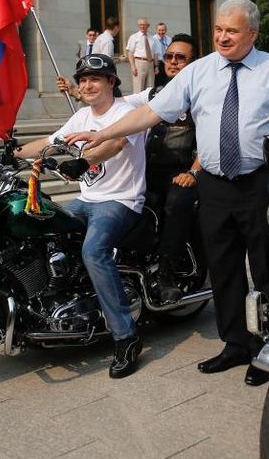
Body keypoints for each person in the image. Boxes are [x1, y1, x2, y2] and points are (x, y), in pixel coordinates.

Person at [61, 0, 269, 387]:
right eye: (218, 29)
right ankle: (234, 344)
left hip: (259, 181)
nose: (222, 36)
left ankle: (264, 345)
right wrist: (103, 132)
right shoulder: (199, 71)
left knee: (265, 268)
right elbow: (151, 112)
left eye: (232, 31)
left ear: (253, 34)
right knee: (224, 267)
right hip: (214, 184)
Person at [17, 54, 146, 378]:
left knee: (93, 250)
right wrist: (8, 152)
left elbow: (114, 144)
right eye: (83, 79)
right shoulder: (82, 116)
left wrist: (83, 161)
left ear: (111, 83)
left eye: (95, 79)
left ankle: (126, 336)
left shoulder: (123, 113)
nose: (87, 85)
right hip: (86, 199)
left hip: (120, 200)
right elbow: (48, 143)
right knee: (37, 229)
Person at [59, 36, 201, 303]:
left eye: (180, 57)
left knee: (175, 203)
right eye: (169, 56)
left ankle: (167, 274)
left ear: (193, 63)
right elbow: (115, 98)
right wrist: (77, 90)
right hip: (150, 169)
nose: (172, 62)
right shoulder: (153, 94)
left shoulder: (202, 97)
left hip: (183, 171)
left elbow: (210, 141)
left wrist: (193, 172)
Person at [126, 18, 156, 94]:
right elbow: (130, 53)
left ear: (148, 26)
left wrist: (156, 66)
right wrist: (133, 66)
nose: (142, 27)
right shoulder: (134, 37)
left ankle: (148, 105)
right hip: (139, 63)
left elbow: (155, 53)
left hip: (150, 63)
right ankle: (137, 105)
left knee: (150, 88)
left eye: (144, 25)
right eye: (140, 25)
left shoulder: (152, 38)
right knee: (138, 87)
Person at [151, 23, 172, 87]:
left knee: (167, 81)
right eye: (159, 30)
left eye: (163, 30)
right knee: (158, 83)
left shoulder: (169, 39)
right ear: (156, 30)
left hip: (167, 62)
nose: (161, 32)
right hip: (158, 63)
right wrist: (156, 66)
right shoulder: (153, 39)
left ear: (166, 30)